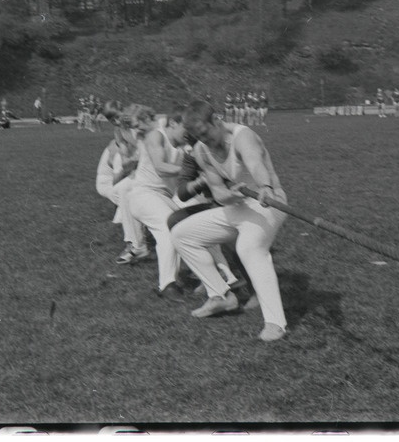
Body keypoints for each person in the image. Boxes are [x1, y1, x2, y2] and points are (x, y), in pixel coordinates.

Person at [171, 100, 289, 342]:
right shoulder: (202, 151)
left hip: (271, 202)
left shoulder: (242, 136)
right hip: (240, 206)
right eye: (197, 137)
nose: (205, 140)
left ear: (216, 120)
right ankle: (220, 296)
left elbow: (255, 163)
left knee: (249, 248)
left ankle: (276, 324)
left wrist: (265, 186)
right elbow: (219, 194)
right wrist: (231, 195)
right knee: (182, 234)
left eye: (205, 133)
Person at [121, 106, 187, 302]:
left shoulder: (171, 134)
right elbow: (160, 167)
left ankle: (220, 280)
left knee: (193, 227)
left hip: (165, 196)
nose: (137, 129)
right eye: (134, 126)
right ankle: (167, 284)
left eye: (138, 124)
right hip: (144, 194)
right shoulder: (153, 136)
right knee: (169, 230)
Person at [96, 130, 148, 264]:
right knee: (128, 196)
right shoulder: (119, 153)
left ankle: (138, 239)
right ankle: (136, 242)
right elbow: (116, 182)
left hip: (120, 181)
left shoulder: (132, 148)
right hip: (106, 183)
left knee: (132, 195)